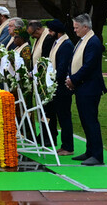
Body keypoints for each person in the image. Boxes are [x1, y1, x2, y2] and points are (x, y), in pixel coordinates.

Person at [65, 14, 107, 166]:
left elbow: (88, 66)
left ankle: (97, 155)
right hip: (83, 86)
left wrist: (73, 79)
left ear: (85, 27)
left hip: (90, 88)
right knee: (85, 121)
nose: (74, 30)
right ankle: (90, 151)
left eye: (76, 27)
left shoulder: (93, 42)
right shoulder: (84, 40)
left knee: (91, 121)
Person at [46, 19, 74, 155]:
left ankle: (68, 147)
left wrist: (53, 79)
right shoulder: (57, 43)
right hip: (55, 84)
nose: (49, 33)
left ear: (57, 32)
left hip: (62, 86)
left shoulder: (66, 44)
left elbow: (62, 67)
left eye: (51, 31)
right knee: (61, 116)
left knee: (64, 117)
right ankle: (64, 145)